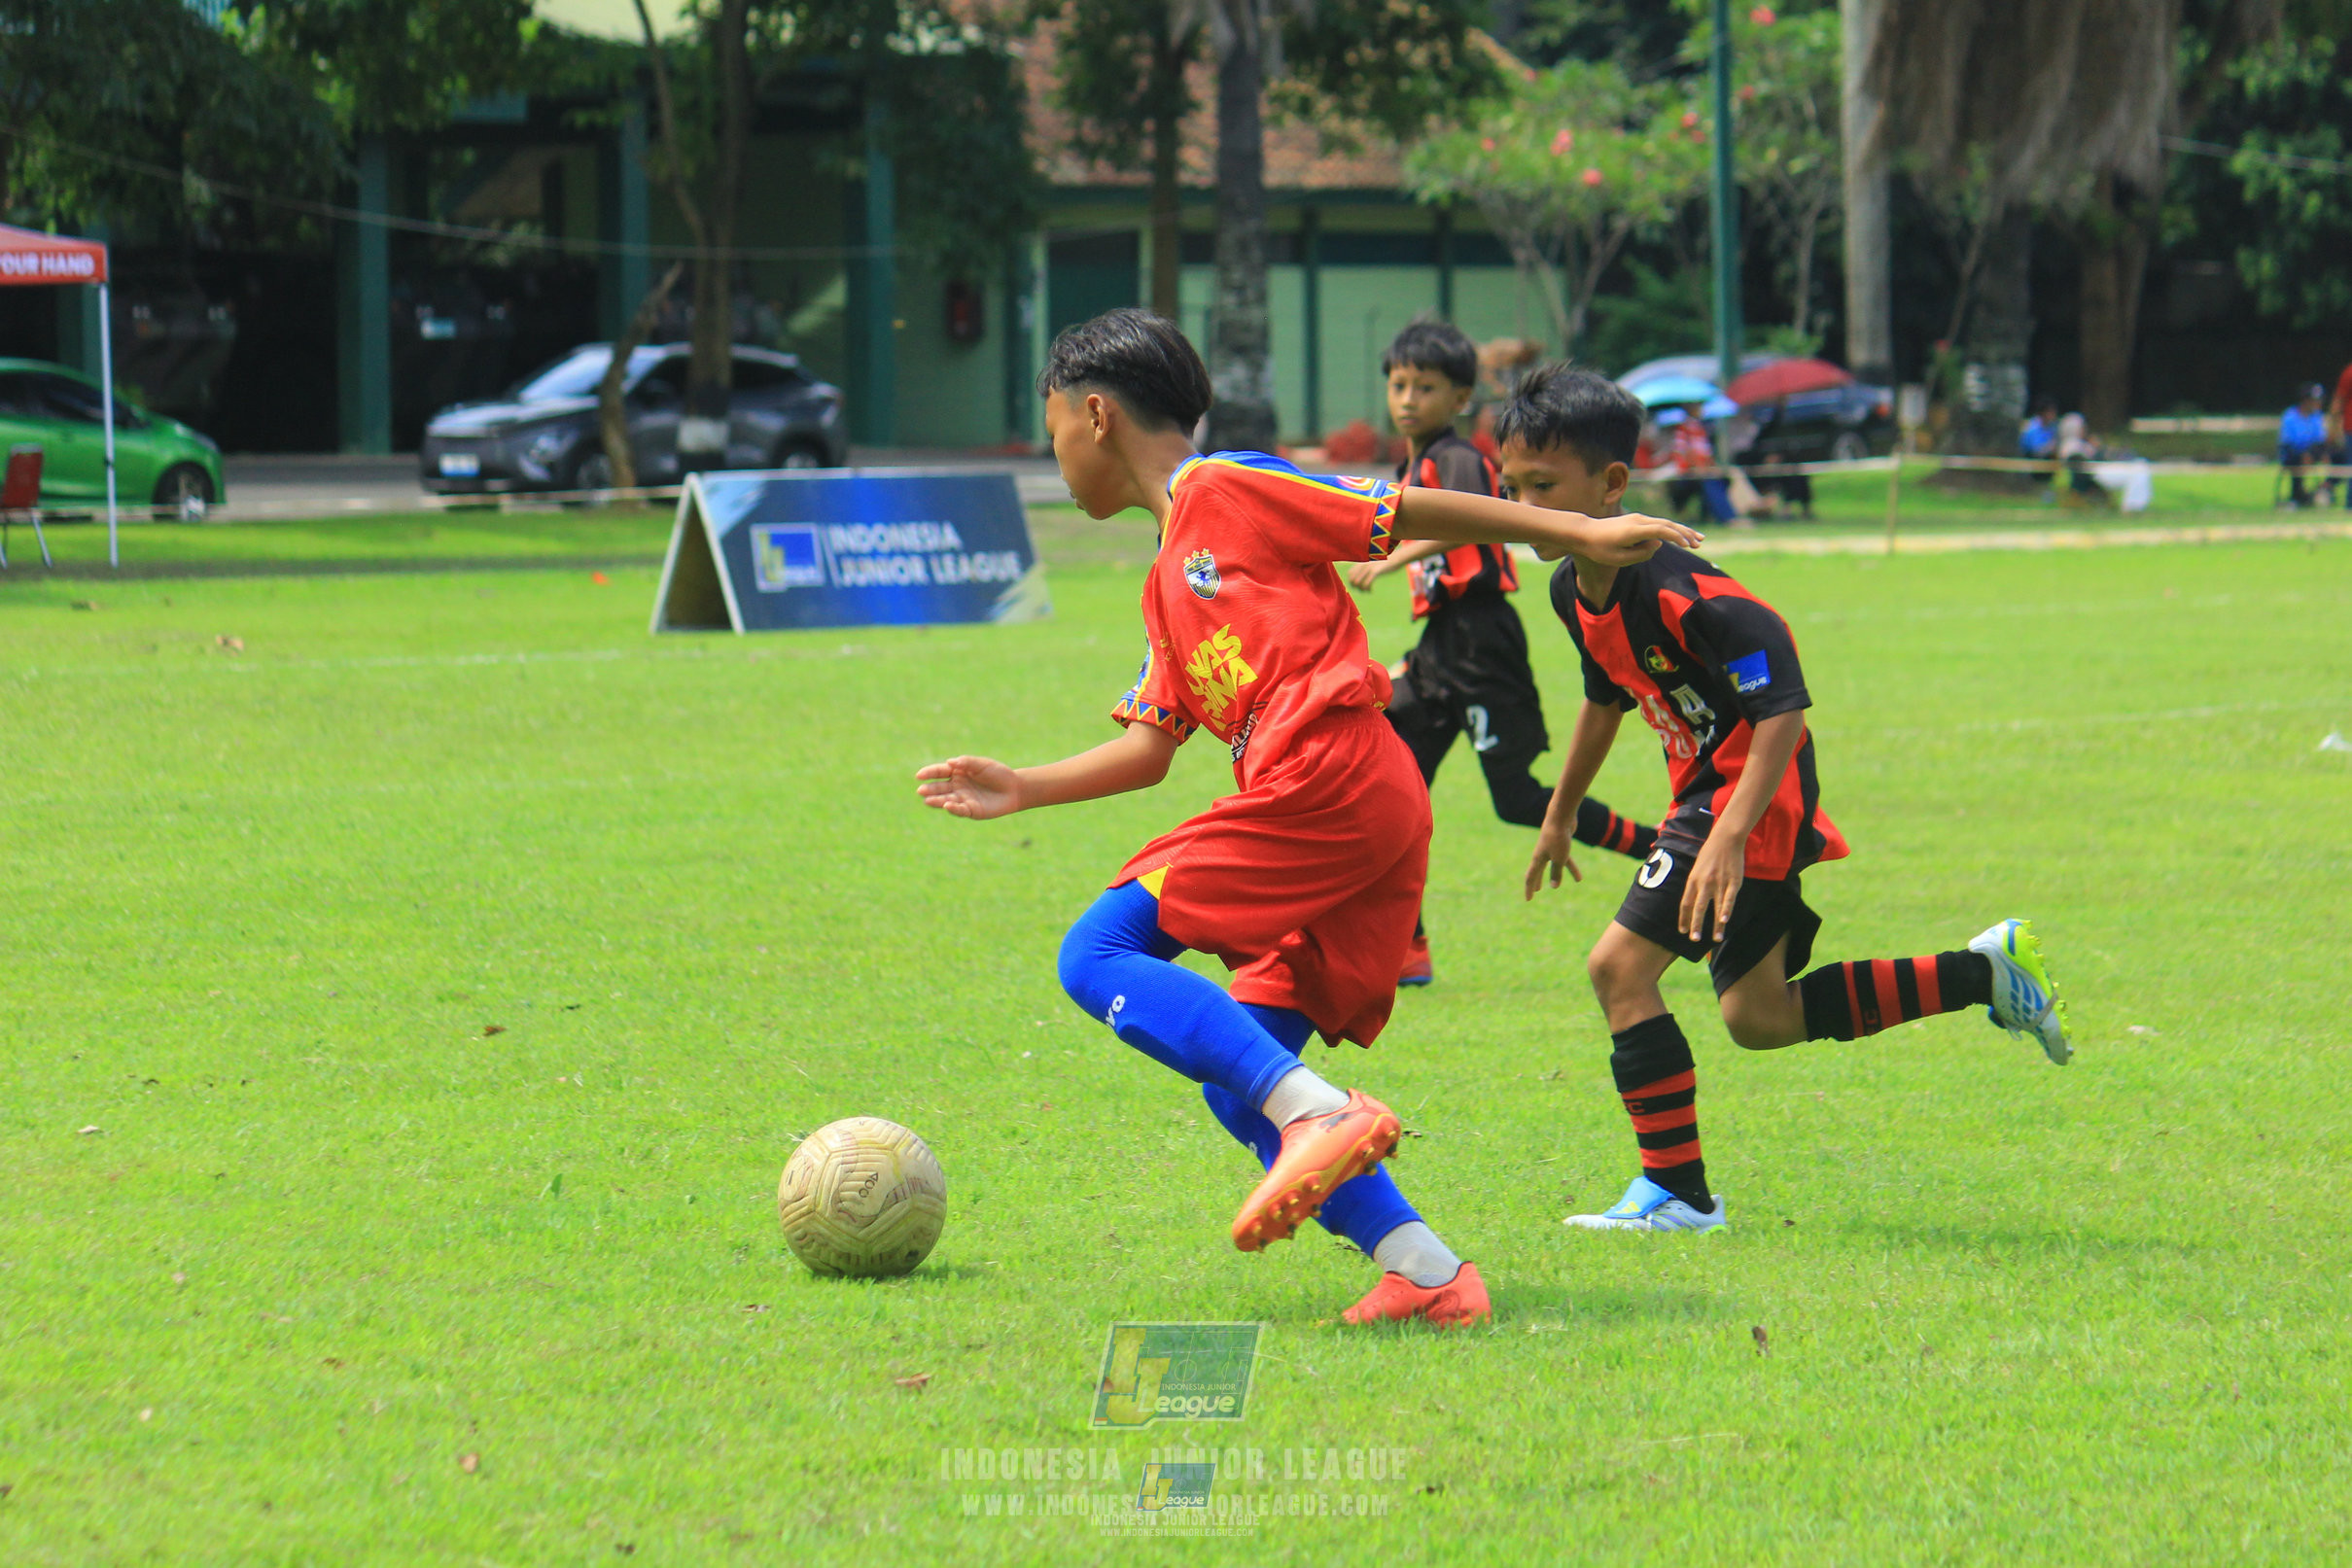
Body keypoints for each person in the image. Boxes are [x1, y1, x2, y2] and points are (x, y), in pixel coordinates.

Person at [915, 311, 1702, 1323]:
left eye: (1053, 423)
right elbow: (1152, 748)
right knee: (1236, 1069)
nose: (1054, 450)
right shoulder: (1166, 580)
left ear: (1096, 415)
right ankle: (1428, 1271)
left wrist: (1582, 532)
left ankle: (1319, 1111)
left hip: (1327, 773)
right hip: (1345, 805)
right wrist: (1022, 783)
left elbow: (1417, 507)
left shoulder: (1225, 486)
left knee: (1094, 951)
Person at [1496, 365, 2071, 1235]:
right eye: (1512, 487)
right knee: (1758, 1016)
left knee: (1617, 969)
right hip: (1712, 793)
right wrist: (1558, 810)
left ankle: (1677, 1197)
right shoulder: (1569, 584)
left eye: (1543, 486)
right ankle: (1983, 972)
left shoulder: (1679, 587)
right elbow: (1605, 694)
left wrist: (1729, 832)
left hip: (1749, 793)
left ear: (1612, 484)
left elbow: (1781, 708)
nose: (1523, 504)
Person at [1344, 320, 1657, 989]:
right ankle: (1405, 946)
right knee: (1382, 782)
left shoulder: (1452, 457)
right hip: (1441, 646)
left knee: (1516, 801)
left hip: (1482, 641)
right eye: (1398, 385)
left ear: (1458, 398)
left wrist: (1397, 554)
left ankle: (1658, 848)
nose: (1406, 399)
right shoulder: (1410, 461)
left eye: (1424, 387)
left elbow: (1474, 511)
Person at [1667, 403, 1736, 525]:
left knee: (1725, 479)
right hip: (1687, 473)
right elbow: (1682, 453)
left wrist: (1711, 468)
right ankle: (1728, 518)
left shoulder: (1700, 429)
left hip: (1703, 471)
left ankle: (1711, 514)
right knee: (1709, 482)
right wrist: (1699, 468)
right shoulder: (1683, 430)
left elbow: (1706, 454)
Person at [2280, 383, 2331, 508]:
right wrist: (2305, 453)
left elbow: (2320, 439)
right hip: (2292, 453)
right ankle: (2297, 495)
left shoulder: (2317, 417)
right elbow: (2288, 441)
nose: (2318, 404)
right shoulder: (2290, 416)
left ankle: (2326, 488)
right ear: (2305, 400)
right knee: (2299, 459)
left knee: (2337, 456)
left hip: (2311, 451)